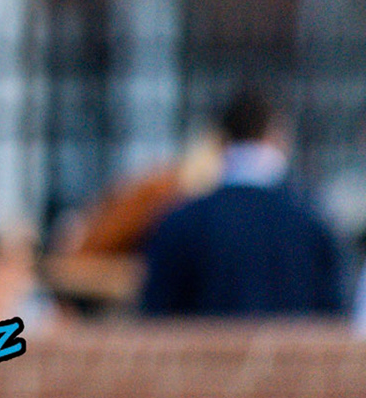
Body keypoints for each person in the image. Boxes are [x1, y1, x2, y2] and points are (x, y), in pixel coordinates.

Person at [141, 88, 346, 318]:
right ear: (277, 136)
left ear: (221, 139)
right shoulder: (312, 222)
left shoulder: (181, 222)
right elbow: (334, 317)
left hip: (205, 352)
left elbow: (155, 315)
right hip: (287, 351)